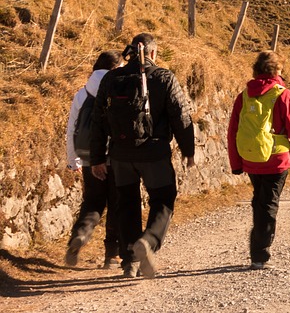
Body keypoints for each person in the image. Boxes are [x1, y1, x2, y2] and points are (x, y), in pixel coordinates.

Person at [89, 33, 196, 279]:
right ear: (153, 53)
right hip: (154, 154)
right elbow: (181, 117)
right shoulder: (164, 77)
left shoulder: (111, 78)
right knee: (164, 199)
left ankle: (129, 262)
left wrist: (97, 158)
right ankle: (148, 242)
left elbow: (98, 121)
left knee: (126, 204)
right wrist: (188, 150)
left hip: (120, 156)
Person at [227, 51, 290, 270]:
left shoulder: (244, 95)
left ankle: (258, 247)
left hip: (251, 158)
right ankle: (259, 254)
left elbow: (233, 131)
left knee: (260, 200)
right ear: (277, 71)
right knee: (268, 205)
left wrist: (236, 163)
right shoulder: (283, 95)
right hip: (276, 160)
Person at [64, 51, 122, 269]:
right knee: (116, 204)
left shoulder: (82, 94)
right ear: (115, 69)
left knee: (93, 202)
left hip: (89, 157)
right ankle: (112, 257)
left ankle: (79, 235)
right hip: (116, 158)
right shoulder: (118, 91)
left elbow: (72, 130)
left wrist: (73, 160)